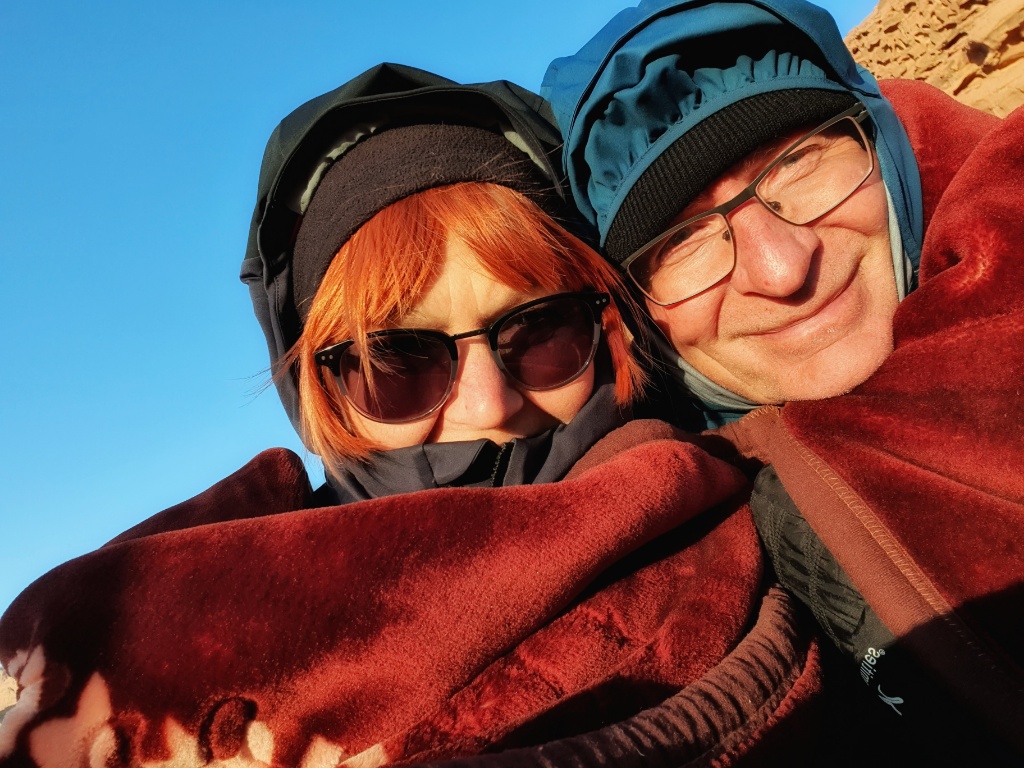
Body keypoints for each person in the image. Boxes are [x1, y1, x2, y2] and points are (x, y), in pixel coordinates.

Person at [0, 63, 827, 767]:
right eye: (397, 361)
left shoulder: (797, 513)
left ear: (607, 325)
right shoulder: (132, 629)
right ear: (318, 388)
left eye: (539, 330)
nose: (490, 406)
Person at [542, 0, 1024, 759]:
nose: (782, 268)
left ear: (882, 141)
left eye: (797, 161)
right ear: (641, 318)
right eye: (682, 240)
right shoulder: (674, 530)